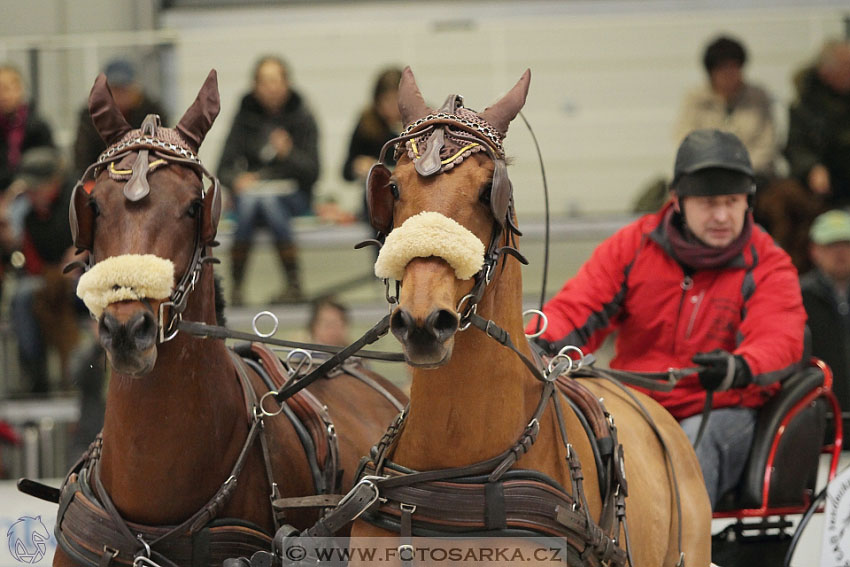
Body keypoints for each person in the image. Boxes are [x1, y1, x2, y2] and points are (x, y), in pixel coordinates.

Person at [528, 129, 806, 508]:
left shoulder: (770, 264)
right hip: (636, 405)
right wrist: (536, 341)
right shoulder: (634, 245)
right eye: (709, 203)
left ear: (748, 202)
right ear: (678, 201)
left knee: (687, 452)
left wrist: (738, 367)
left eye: (733, 201)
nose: (722, 215)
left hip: (719, 409)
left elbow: (781, 338)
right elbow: (579, 307)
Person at [218, 55, 320, 306]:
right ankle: (259, 287)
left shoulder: (303, 116)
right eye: (265, 81)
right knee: (256, 200)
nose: (272, 88)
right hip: (253, 195)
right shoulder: (244, 117)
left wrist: (289, 154)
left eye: (276, 80)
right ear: (255, 86)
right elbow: (223, 168)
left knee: (267, 201)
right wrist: (238, 180)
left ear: (287, 83)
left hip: (293, 195)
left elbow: (313, 172)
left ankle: (243, 286)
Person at [0, 147, 77, 394]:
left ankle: (87, 371)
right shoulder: (24, 208)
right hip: (43, 277)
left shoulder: (77, 200)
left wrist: (83, 250)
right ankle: (36, 377)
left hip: (79, 274)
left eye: (37, 187)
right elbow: (14, 244)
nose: (32, 194)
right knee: (22, 298)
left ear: (54, 182)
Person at [674, 35, 779, 183]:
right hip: (706, 176)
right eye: (723, 68)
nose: (729, 74)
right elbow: (685, 140)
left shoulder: (758, 98)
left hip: (754, 176)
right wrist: (711, 167)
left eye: (734, 67)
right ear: (711, 72)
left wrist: (739, 169)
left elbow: (767, 145)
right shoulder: (696, 100)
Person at [72, 58, 168, 176]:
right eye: (114, 88)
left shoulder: (154, 112)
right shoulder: (91, 114)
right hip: (103, 177)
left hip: (148, 174)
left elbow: (163, 151)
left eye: (124, 88)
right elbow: (83, 156)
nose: (120, 94)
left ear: (136, 89)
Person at [800, 209, 850, 435]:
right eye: (831, 246)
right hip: (820, 423)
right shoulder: (797, 296)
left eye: (846, 245)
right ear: (815, 251)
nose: (840, 253)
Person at [785, 39, 850, 207]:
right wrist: (812, 168)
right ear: (826, 71)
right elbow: (796, 146)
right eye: (845, 65)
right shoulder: (805, 103)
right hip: (824, 177)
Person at [341, 67, 402, 221]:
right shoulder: (367, 123)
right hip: (378, 196)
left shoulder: (421, 122)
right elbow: (345, 171)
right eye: (386, 100)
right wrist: (358, 166)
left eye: (397, 100)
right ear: (377, 100)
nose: (392, 107)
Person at [0, 64, 54, 192]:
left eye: (6, 89)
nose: (3, 95)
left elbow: (48, 164)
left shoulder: (38, 126)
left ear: (20, 90)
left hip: (33, 192)